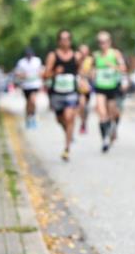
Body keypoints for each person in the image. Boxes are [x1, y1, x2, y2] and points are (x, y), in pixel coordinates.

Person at [45, 29, 81, 161]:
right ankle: (68, 133)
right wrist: (55, 72)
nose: (65, 41)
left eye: (67, 39)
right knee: (60, 120)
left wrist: (82, 82)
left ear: (70, 41)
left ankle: (67, 148)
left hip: (71, 92)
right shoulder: (53, 56)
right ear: (59, 41)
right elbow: (45, 74)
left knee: (69, 116)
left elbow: (80, 72)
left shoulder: (76, 56)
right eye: (62, 39)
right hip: (57, 93)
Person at [92, 31, 127, 153]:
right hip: (100, 87)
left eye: (105, 42)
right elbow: (91, 70)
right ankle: (105, 140)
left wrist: (112, 66)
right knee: (102, 114)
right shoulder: (96, 55)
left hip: (113, 88)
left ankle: (113, 128)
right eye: (100, 42)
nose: (103, 45)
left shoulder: (115, 54)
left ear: (110, 42)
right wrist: (92, 73)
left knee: (113, 114)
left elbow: (123, 69)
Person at [14, 47, 43, 129]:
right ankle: (28, 117)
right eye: (28, 55)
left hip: (35, 84)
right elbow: (17, 73)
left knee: (33, 100)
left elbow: (41, 71)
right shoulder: (21, 62)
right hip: (26, 85)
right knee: (28, 102)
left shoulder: (37, 60)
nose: (29, 56)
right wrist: (23, 75)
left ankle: (33, 117)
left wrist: (40, 77)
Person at [76, 44, 93, 134]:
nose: (83, 53)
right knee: (81, 105)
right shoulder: (76, 58)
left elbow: (92, 73)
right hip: (77, 86)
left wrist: (86, 76)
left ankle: (84, 122)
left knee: (85, 107)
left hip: (87, 86)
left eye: (85, 51)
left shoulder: (90, 60)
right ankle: (81, 122)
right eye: (81, 51)